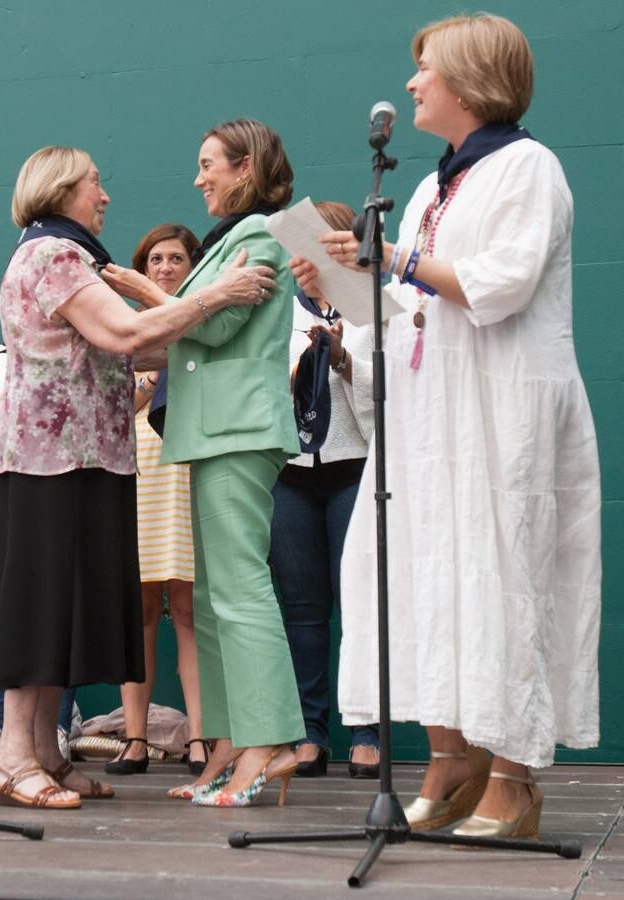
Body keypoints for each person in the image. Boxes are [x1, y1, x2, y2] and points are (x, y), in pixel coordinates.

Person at [299, 14, 600, 839]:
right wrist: (340, 275)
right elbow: (413, 307)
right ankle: (451, 755)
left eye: (422, 69)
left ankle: (514, 775)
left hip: (503, 409)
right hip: (433, 415)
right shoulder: (435, 185)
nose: (410, 84)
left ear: (467, 80)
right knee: (421, 573)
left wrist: (388, 256)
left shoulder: (528, 168)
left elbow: (497, 285)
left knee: (508, 576)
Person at [0, 145, 276, 809]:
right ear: (61, 190)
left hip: (83, 457)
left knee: (63, 605)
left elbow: (137, 342)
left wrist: (194, 320)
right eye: (94, 184)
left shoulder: (67, 254)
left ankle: (46, 754)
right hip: (50, 460)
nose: (104, 195)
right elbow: (124, 333)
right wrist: (217, 294)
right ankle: (11, 756)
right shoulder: (54, 254)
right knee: (40, 605)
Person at [110, 120, 306, 809]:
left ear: (246, 168)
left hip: (236, 431)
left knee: (240, 592)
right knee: (219, 601)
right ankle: (225, 743)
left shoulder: (259, 236)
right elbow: (198, 341)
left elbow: (214, 326)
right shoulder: (230, 241)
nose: (199, 179)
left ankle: (270, 741)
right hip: (210, 431)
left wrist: (141, 288)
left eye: (208, 165)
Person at [270, 201, 380, 780]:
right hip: (291, 469)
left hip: (353, 465)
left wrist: (341, 357)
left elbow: (393, 386)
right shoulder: (279, 308)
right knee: (303, 609)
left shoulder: (372, 305)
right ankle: (312, 733)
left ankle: (367, 731)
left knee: (360, 601)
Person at [105, 224, 208, 778]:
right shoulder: (122, 325)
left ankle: (198, 738)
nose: (165, 267)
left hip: (185, 464)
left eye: (175, 258)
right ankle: (136, 739)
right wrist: (148, 380)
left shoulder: (203, 318)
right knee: (138, 610)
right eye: (155, 260)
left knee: (189, 610)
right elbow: (113, 404)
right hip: (136, 466)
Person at [0, 344, 76, 770]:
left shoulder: (71, 349)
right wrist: (13, 400)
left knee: (54, 610)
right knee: (1, 613)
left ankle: (56, 728)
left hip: (51, 483)